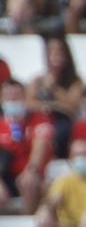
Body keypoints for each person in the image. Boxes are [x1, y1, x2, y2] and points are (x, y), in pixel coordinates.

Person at [0, 79, 54, 213]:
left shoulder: (38, 119)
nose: (12, 100)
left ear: (24, 97)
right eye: (8, 96)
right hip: (4, 175)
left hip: (29, 174)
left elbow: (40, 145)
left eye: (16, 96)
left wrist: (32, 169)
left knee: (29, 182)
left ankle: (26, 222)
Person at [25, 36, 83, 157]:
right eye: (51, 51)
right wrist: (54, 105)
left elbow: (72, 107)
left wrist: (54, 89)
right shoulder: (37, 80)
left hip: (63, 120)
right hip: (41, 117)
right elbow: (29, 103)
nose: (55, 55)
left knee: (62, 131)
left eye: (59, 50)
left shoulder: (75, 81)